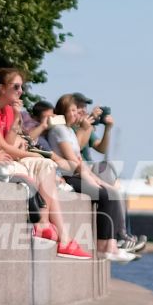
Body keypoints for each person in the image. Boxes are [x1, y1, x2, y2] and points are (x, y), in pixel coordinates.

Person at [0, 69, 88, 258]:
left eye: (21, 87)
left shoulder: (9, 109)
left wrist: (17, 118)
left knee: (47, 166)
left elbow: (7, 144)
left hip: (5, 156)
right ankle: (54, 233)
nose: (20, 91)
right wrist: (34, 154)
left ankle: (50, 228)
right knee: (43, 162)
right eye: (15, 87)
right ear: (1, 88)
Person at [45, 96, 131, 260]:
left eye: (76, 110)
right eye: (72, 110)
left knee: (111, 192)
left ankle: (111, 245)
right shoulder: (59, 130)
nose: (76, 114)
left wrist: (95, 179)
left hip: (78, 172)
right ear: (63, 112)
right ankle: (101, 246)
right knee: (105, 195)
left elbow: (80, 157)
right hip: (68, 176)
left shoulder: (69, 130)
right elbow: (73, 159)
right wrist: (91, 178)